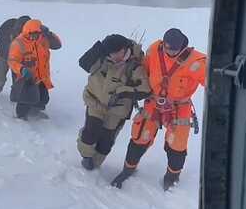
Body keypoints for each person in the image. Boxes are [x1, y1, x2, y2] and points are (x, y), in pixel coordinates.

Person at [111, 28, 207, 190]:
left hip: (179, 107)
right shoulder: (154, 49)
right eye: (167, 48)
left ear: (182, 46)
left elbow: (215, 83)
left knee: (177, 145)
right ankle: (128, 169)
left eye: (174, 50)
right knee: (140, 136)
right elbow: (143, 70)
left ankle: (171, 177)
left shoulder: (197, 62)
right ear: (163, 44)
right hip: (153, 102)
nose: (169, 52)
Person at [77, 34, 151, 170]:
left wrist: (123, 90)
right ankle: (86, 156)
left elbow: (146, 89)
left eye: (116, 52)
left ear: (124, 49)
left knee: (106, 140)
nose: (113, 56)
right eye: (110, 53)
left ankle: (96, 162)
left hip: (117, 111)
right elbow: (84, 63)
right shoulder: (101, 57)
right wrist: (99, 47)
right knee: (90, 133)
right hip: (95, 102)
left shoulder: (134, 66)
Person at [8, 19, 62, 120]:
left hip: (41, 76)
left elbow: (57, 45)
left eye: (37, 34)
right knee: (26, 99)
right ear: (27, 31)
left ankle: (34, 112)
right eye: (32, 34)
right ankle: (21, 116)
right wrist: (22, 69)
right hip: (27, 77)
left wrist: (49, 34)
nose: (34, 37)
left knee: (43, 98)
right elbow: (12, 61)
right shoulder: (18, 43)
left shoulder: (43, 39)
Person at [0, 15, 31, 96]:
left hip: (18, 60)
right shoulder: (9, 23)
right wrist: (9, 39)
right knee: (0, 77)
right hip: (2, 55)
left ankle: (15, 97)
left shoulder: (30, 32)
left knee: (18, 79)